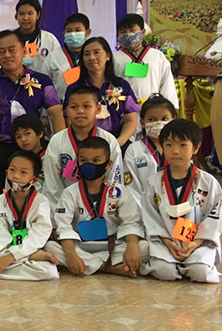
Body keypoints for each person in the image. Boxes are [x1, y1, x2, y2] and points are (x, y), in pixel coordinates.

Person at [45, 136, 149, 277]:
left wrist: (132, 247)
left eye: (95, 161)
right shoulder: (70, 192)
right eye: (83, 161)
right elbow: (63, 227)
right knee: (51, 247)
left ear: (108, 164)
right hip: (81, 246)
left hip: (112, 245)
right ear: (77, 162)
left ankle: (92, 265)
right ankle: (109, 268)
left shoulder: (119, 191)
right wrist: (71, 254)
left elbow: (131, 222)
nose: (89, 165)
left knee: (145, 247)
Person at [0, 30, 65, 186]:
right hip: (1, 149)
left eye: (12, 50)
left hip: (35, 147)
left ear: (24, 51)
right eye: (2, 51)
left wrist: (59, 146)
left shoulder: (42, 81)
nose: (7, 55)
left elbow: (56, 114)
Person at [140, 119, 222, 283]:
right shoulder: (154, 182)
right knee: (165, 272)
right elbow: (149, 215)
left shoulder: (208, 182)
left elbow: (215, 216)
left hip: (199, 243)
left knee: (200, 272)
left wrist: (195, 243)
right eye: (169, 145)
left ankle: (195, 261)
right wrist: (168, 242)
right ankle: (172, 262)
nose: (175, 151)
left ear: (196, 148)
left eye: (183, 145)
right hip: (165, 242)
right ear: (163, 147)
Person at [0, 150, 59, 280]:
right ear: (6, 173)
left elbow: (38, 237)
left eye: (23, 172)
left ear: (34, 179)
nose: (16, 176)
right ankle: (28, 258)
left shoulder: (41, 202)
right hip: (5, 247)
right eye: (12, 170)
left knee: (48, 271)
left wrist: (9, 258)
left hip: (28, 247)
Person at [43, 86, 122, 205]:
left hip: (102, 206)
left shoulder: (109, 140)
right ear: (67, 111)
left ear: (98, 109)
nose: (80, 111)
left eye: (86, 106)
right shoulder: (57, 140)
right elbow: (52, 183)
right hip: (66, 205)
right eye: (74, 107)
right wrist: (61, 211)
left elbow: (114, 177)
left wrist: (107, 207)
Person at [64, 37, 140, 145]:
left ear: (108, 56)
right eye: (86, 54)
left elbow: (131, 120)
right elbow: (70, 120)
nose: (92, 57)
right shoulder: (74, 89)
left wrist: (118, 143)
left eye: (96, 52)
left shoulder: (122, 85)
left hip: (118, 142)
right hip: (85, 145)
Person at [112, 13, 178, 107]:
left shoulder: (157, 56)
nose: (128, 35)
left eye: (132, 30)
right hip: (125, 109)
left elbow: (167, 84)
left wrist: (169, 108)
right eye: (123, 32)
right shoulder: (114, 58)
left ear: (142, 32)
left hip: (152, 108)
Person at [123, 96, 176, 206]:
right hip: (143, 208)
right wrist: (147, 210)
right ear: (142, 123)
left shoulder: (180, 148)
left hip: (176, 206)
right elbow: (131, 188)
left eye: (164, 119)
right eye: (151, 119)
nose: (158, 123)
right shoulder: (134, 150)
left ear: (173, 120)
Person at [41, 13, 91, 99]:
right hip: (60, 104)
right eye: (69, 31)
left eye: (78, 30)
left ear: (87, 32)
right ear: (64, 33)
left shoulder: (93, 57)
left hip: (90, 102)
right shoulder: (53, 58)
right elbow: (44, 84)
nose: (73, 34)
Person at [13, 0, 60, 73]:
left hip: (43, 80)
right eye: (21, 14)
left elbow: (57, 66)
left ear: (38, 15)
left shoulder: (49, 39)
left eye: (30, 13)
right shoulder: (9, 39)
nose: (25, 18)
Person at [10, 115, 47, 193]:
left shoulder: (50, 157)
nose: (23, 139)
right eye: (18, 137)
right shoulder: (16, 161)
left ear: (40, 133)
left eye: (27, 134)